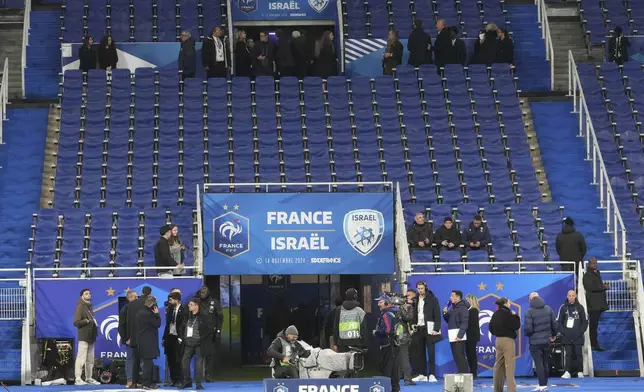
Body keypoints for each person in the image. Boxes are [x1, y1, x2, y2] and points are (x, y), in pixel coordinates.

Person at [524, 292, 558, 392]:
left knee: (539, 363)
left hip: (535, 343)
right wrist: (554, 335)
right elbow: (554, 325)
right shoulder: (549, 309)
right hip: (547, 341)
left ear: (531, 299)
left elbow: (528, 329)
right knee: (545, 363)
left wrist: (530, 335)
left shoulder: (529, 312)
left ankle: (542, 385)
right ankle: (544, 384)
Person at [411, 281, 441, 383]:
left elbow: (437, 315)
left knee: (431, 352)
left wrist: (436, 329)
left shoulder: (433, 299)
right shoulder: (415, 300)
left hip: (430, 328)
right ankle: (422, 374)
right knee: (420, 352)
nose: (420, 290)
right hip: (419, 328)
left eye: (421, 288)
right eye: (418, 288)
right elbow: (414, 314)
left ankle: (432, 374)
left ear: (425, 288)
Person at [489, 297, 521, 392]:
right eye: (509, 303)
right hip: (508, 341)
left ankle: (497, 389)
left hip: (498, 340)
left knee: (498, 366)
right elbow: (516, 325)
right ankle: (511, 390)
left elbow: (490, 328)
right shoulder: (509, 313)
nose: (510, 304)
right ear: (506, 303)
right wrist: (516, 316)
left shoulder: (495, 314)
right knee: (509, 366)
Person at [181, 298, 213, 389]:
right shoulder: (187, 316)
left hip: (199, 343)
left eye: (191, 304)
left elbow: (209, 330)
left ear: (196, 305)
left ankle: (198, 383)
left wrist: (201, 339)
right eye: (189, 304)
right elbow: (182, 327)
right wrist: (184, 338)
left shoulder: (204, 316)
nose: (189, 306)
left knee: (199, 363)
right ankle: (187, 381)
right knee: (184, 362)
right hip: (188, 343)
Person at [557, 290, 588, 379]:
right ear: (567, 296)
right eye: (569, 295)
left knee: (579, 354)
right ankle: (567, 372)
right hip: (567, 336)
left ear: (575, 296)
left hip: (578, 336)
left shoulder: (580, 308)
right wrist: (564, 332)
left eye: (573, 295)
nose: (571, 297)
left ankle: (580, 371)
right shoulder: (563, 308)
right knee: (568, 354)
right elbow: (559, 322)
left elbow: (585, 322)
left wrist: (580, 332)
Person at [72, 289, 100, 386]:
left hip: (91, 337)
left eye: (89, 293)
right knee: (81, 358)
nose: (88, 295)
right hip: (84, 336)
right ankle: (78, 378)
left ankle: (88, 378)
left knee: (90, 360)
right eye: (86, 294)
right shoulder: (80, 306)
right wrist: (86, 321)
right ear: (82, 296)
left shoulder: (89, 306)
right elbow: (75, 322)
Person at [374, 295, 400, 392]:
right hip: (394, 344)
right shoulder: (393, 312)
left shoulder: (386, 314)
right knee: (394, 369)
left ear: (386, 303)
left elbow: (387, 330)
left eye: (380, 302)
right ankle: (395, 389)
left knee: (387, 369)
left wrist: (376, 332)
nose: (378, 304)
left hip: (388, 345)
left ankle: (386, 389)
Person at [196, 286, 223, 381]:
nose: (202, 294)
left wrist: (218, 330)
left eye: (204, 292)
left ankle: (208, 375)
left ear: (208, 293)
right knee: (199, 355)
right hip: (198, 332)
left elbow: (220, 317)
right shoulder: (197, 302)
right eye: (201, 292)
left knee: (210, 355)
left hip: (211, 333)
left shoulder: (214, 302)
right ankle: (198, 376)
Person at [127, 286, 151, 388]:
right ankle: (146, 383)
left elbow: (129, 322)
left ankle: (135, 382)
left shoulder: (132, 304)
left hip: (135, 336)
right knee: (147, 360)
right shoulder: (151, 301)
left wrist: (130, 336)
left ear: (141, 292)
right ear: (150, 293)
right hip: (147, 336)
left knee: (135, 360)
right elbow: (154, 319)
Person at [583, 257, 609, 351]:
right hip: (593, 305)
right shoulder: (587, 275)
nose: (595, 265)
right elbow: (590, 288)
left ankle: (594, 343)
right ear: (589, 264)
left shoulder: (597, 273)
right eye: (594, 263)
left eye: (596, 263)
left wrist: (602, 287)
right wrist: (603, 287)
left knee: (595, 325)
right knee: (593, 326)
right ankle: (593, 344)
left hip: (598, 304)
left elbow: (597, 285)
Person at [136, 296, 161, 389]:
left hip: (142, 340)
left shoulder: (139, 312)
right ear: (153, 304)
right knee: (148, 363)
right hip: (149, 341)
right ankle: (147, 383)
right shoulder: (149, 314)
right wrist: (157, 314)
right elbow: (158, 324)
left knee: (148, 363)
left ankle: (148, 382)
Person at [333, 288, 368, 353]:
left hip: (342, 343)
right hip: (356, 343)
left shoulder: (338, 310)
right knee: (355, 363)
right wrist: (365, 345)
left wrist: (335, 343)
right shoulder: (360, 311)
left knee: (342, 363)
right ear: (355, 297)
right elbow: (364, 329)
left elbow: (335, 328)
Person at [163, 292, 186, 387]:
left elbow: (184, 325)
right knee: (171, 360)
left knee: (178, 360)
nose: (169, 302)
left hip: (178, 338)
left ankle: (180, 380)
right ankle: (173, 379)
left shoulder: (184, 310)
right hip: (170, 337)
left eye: (171, 300)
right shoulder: (169, 309)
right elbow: (167, 325)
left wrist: (181, 338)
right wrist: (164, 338)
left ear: (177, 300)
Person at [442, 290, 469, 374]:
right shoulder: (453, 308)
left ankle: (464, 373)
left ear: (457, 297)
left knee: (460, 355)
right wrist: (445, 313)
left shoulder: (463, 308)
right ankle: (460, 371)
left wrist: (460, 336)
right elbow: (449, 321)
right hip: (452, 334)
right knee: (456, 355)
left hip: (458, 335)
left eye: (452, 296)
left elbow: (464, 323)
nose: (450, 297)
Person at [118, 290, 137, 387]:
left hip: (139, 339)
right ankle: (129, 380)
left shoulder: (139, 309)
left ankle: (136, 380)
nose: (136, 298)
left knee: (138, 359)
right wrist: (126, 339)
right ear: (129, 298)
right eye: (134, 297)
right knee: (130, 359)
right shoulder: (124, 310)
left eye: (136, 296)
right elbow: (121, 327)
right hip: (129, 339)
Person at [398, 290, 416, 385]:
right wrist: (410, 308)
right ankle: (407, 379)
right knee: (405, 358)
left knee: (399, 358)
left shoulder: (391, 309)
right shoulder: (401, 309)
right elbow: (408, 318)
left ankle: (399, 377)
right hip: (402, 336)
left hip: (396, 336)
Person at [464, 294, 480, 377]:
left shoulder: (473, 310)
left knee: (472, 354)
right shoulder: (470, 310)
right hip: (468, 335)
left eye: (467, 300)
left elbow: (471, 323)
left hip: (471, 336)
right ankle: (472, 371)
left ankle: (473, 372)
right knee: (469, 354)